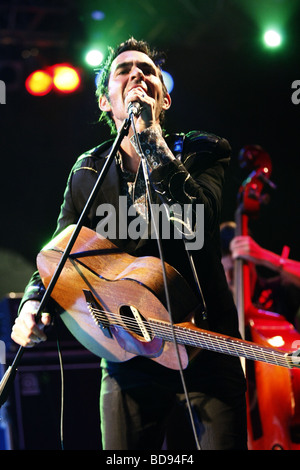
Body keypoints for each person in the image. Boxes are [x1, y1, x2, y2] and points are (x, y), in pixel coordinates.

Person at [11, 38, 247, 450]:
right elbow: (62, 252)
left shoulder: (203, 150)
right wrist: (34, 304)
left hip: (206, 348)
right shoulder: (88, 170)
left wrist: (150, 138)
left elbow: (201, 220)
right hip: (130, 356)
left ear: (165, 98)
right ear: (105, 101)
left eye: (147, 70)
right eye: (124, 70)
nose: (137, 74)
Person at [220, 221, 300, 326]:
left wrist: (264, 256)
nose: (229, 278)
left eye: (233, 270)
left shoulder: (279, 289)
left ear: (251, 262)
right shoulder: (220, 306)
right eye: (223, 271)